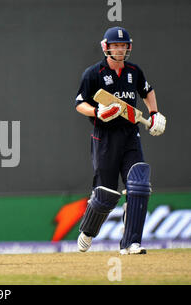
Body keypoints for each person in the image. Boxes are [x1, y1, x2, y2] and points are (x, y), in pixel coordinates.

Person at [74, 27, 166, 255]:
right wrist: (97, 112)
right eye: (116, 45)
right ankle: (87, 230)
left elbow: (147, 92)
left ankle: (130, 242)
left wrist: (154, 114)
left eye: (124, 45)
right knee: (106, 194)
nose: (120, 49)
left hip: (130, 136)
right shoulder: (93, 73)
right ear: (106, 47)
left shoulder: (134, 71)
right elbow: (79, 103)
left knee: (139, 185)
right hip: (104, 137)